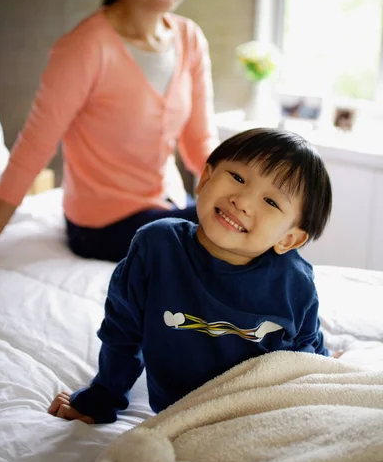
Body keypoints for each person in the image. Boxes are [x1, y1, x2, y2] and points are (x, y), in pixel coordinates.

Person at [0, 0, 218, 265]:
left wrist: (238, 201)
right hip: (101, 226)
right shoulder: (85, 48)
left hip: (167, 205)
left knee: (249, 232)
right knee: (227, 242)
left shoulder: (190, 39)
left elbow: (199, 145)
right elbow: (32, 152)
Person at [48, 127, 333, 425]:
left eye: (271, 202)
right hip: (176, 411)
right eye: (237, 177)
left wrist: (322, 376)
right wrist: (104, 395)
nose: (243, 201)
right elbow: (122, 331)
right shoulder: (156, 247)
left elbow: (303, 356)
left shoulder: (294, 282)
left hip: (255, 413)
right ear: (206, 178)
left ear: (288, 239)